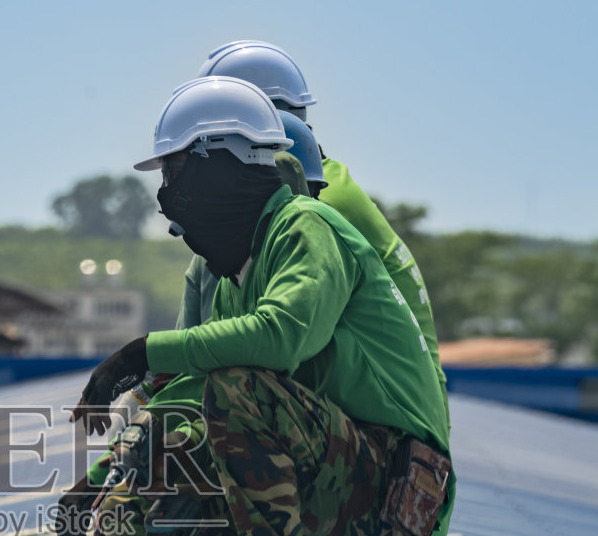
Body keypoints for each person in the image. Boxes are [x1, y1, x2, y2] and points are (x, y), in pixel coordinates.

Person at [56, 76, 454, 536]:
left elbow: (281, 336)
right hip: (350, 489)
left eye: (174, 173)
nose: (166, 198)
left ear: (220, 165)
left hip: (398, 493)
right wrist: (99, 487)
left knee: (237, 389)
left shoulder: (308, 228)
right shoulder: (237, 277)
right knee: (136, 514)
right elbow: (185, 394)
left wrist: (141, 353)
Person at [189, 41, 447, 408]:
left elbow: (270, 336)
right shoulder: (325, 178)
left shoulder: (312, 201)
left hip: (387, 413)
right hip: (386, 398)